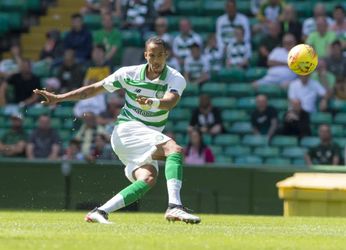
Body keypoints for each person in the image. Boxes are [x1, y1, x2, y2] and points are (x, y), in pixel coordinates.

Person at [33, 37, 201, 224]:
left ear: (166, 55)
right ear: (146, 55)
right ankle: (175, 207)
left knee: (148, 178)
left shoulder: (175, 78)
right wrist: (59, 98)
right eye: (152, 55)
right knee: (174, 149)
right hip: (127, 130)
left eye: (160, 55)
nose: (156, 60)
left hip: (143, 138)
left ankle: (100, 211)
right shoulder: (128, 74)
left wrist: (152, 102)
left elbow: (170, 102)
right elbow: (94, 89)